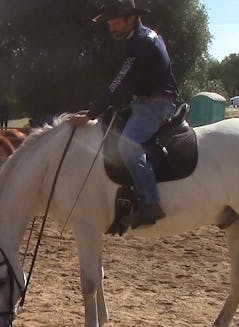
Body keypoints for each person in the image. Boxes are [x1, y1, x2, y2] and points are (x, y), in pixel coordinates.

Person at [71, 0, 178, 226]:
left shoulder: (139, 43)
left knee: (127, 147)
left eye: (116, 23)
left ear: (131, 18)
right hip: (145, 101)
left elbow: (119, 82)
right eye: (110, 24)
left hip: (154, 105)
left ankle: (150, 203)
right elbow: (132, 82)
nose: (112, 29)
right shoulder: (148, 36)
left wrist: (91, 114)